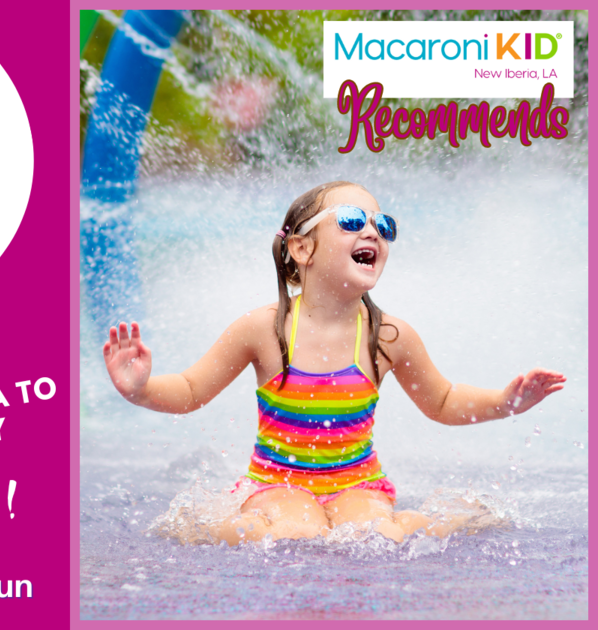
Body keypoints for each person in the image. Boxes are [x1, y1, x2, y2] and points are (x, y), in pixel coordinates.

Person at [102, 181, 565, 545]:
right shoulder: (263, 330)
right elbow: (189, 390)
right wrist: (140, 390)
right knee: (296, 534)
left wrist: (506, 402)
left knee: (376, 536)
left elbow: (442, 401)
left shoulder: (388, 337)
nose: (371, 232)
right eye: (349, 220)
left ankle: (433, 522)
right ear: (302, 250)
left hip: (358, 483)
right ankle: (206, 527)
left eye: (383, 225)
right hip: (278, 482)